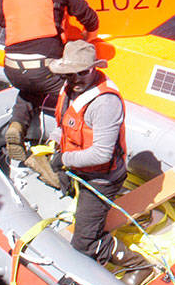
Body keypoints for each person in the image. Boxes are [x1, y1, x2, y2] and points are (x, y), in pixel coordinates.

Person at [0, 0, 100, 171]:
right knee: (73, 96)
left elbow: (2, 22)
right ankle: (59, 142)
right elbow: (91, 19)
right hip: (46, 67)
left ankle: (17, 126)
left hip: (13, 69)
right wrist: (86, 39)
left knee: (29, 89)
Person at [46, 40, 137, 266]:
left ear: (94, 68)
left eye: (82, 72)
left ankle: (135, 264)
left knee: (82, 244)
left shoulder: (104, 103)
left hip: (101, 179)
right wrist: (55, 143)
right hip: (76, 167)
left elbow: (101, 155)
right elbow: (65, 126)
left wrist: (64, 159)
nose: (76, 79)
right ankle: (79, 204)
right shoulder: (69, 91)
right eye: (70, 74)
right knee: (62, 178)